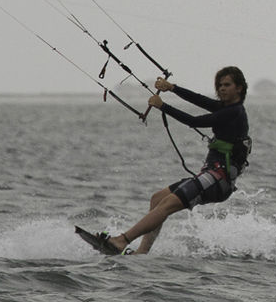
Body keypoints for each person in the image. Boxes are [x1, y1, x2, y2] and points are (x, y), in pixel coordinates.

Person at [95, 66, 251, 255]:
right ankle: (142, 252)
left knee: (168, 204)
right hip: (211, 176)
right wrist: (172, 88)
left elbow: (194, 121)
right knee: (157, 198)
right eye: (219, 85)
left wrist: (163, 106)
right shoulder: (226, 108)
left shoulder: (234, 112)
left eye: (227, 85)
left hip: (219, 179)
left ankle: (122, 240)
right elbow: (199, 99)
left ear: (239, 88)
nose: (221, 89)